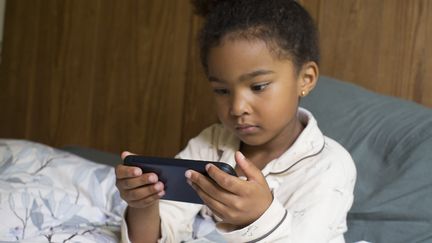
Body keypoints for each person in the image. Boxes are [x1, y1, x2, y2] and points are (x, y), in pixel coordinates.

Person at [115, 0, 356, 242]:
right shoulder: (210, 145)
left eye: (258, 86)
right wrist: (143, 204)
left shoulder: (329, 166)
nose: (237, 108)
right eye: (222, 91)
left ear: (305, 79)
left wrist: (258, 218)